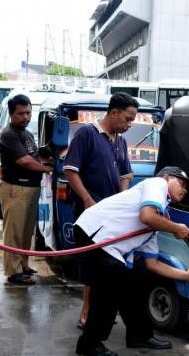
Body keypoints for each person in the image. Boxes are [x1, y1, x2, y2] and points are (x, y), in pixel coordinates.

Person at [74, 166, 189, 356]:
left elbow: (152, 264)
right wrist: (175, 228)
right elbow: (147, 216)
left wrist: (187, 276)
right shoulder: (157, 183)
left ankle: (139, 335)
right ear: (167, 177)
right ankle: (89, 344)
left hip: (108, 245)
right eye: (181, 183)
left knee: (134, 283)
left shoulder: (154, 225)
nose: (185, 189)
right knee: (109, 288)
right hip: (93, 233)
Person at [64, 92, 139, 329]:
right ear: (114, 112)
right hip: (90, 215)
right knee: (91, 267)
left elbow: (125, 175)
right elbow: (70, 170)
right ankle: (86, 313)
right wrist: (87, 199)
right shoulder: (87, 134)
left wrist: (122, 198)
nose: (129, 125)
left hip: (112, 216)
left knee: (110, 266)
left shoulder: (120, 141)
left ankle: (102, 312)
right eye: (127, 119)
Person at [0, 94, 53, 285]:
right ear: (12, 114)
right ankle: (14, 272)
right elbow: (24, 161)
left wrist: (47, 158)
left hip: (29, 189)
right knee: (14, 232)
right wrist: (46, 169)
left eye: (28, 112)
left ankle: (24, 264)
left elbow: (34, 156)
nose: (26, 117)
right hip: (15, 189)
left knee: (26, 231)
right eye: (21, 113)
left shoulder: (26, 133)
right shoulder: (9, 134)